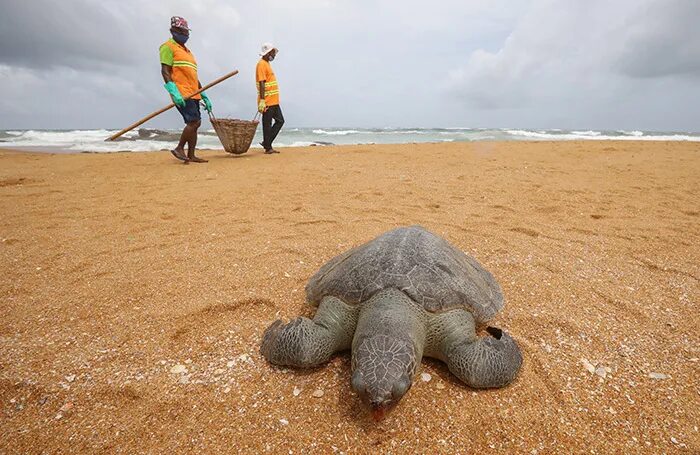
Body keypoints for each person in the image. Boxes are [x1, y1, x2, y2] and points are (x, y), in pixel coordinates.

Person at [159, 16, 212, 163]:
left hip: (194, 93)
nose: (186, 34)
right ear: (173, 30)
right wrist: (173, 92)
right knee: (193, 122)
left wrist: (204, 95)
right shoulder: (167, 47)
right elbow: (165, 71)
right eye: (182, 31)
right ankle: (179, 148)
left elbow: (194, 77)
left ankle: (191, 155)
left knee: (196, 123)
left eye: (187, 32)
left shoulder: (188, 53)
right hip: (181, 92)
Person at [256, 43, 284, 154]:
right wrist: (262, 100)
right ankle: (268, 147)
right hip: (267, 100)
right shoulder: (261, 64)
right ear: (267, 53)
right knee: (267, 124)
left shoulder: (266, 64)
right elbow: (262, 82)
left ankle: (267, 143)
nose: (274, 55)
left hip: (274, 100)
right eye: (272, 53)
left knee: (280, 121)